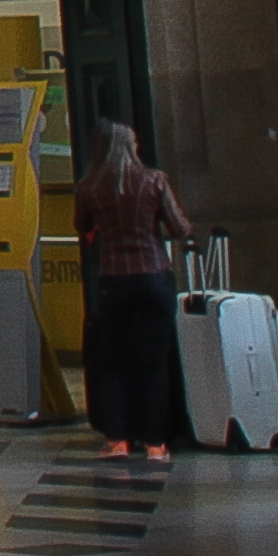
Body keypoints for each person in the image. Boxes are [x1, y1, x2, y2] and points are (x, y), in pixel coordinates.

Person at [73, 122, 198, 460]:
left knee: (114, 361)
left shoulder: (90, 187)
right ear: (133, 146)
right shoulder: (154, 180)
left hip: (114, 280)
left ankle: (117, 439)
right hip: (154, 277)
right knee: (154, 362)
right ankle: (156, 441)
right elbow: (179, 228)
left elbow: (82, 228)